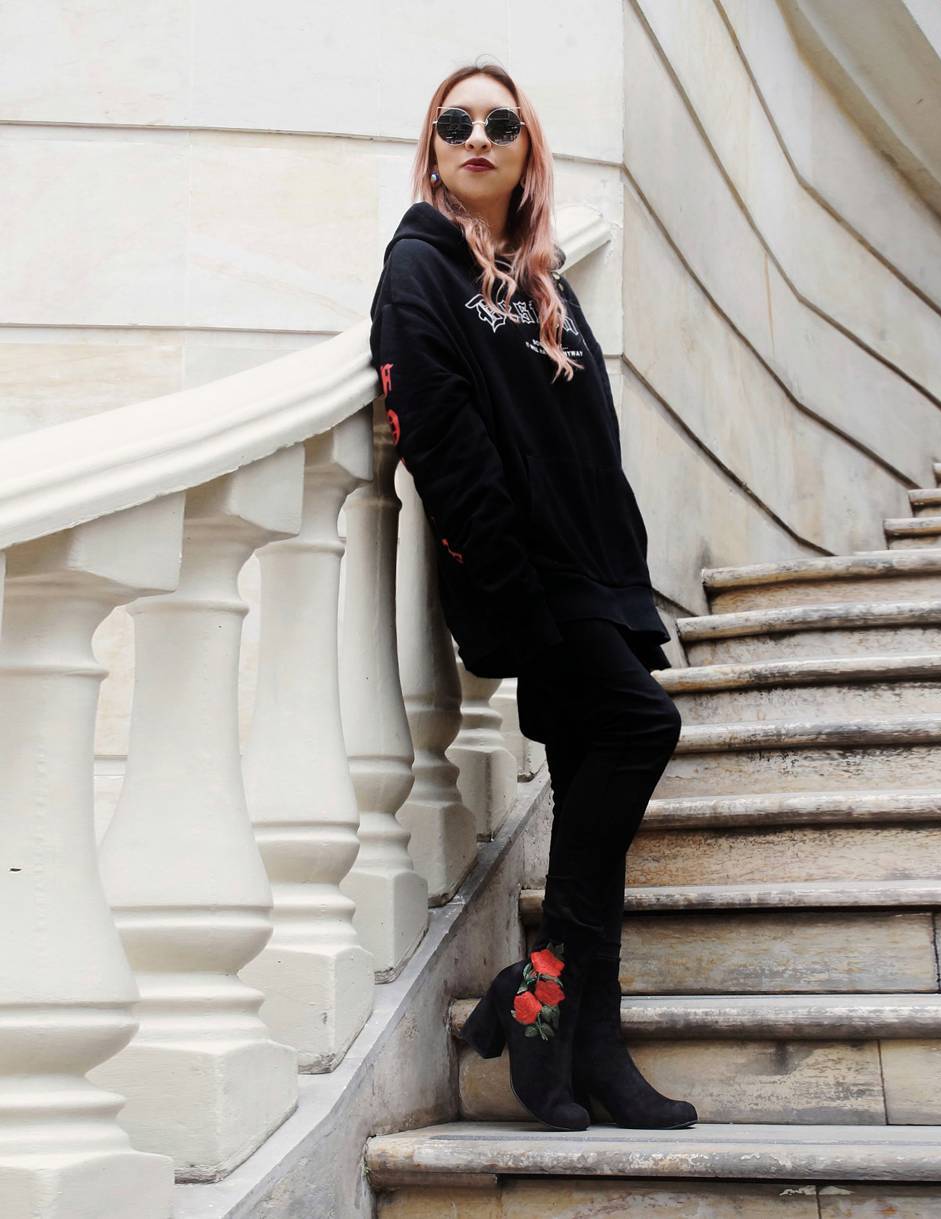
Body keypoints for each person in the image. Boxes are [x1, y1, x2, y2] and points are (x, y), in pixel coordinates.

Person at [368, 60, 696, 1134]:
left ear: (526, 151)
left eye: (500, 123)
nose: (478, 137)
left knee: (594, 792)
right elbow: (438, 431)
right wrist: (506, 583)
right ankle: (547, 995)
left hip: (599, 577)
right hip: (533, 582)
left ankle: (578, 1033)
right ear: (432, 150)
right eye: (455, 122)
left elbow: (588, 441)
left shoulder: (543, 282)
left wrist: (626, 568)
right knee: (644, 726)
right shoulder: (419, 269)